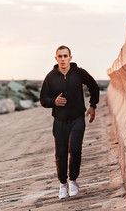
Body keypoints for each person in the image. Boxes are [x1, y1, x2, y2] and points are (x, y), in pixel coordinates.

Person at [40, 45, 100, 199]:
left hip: (77, 118)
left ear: (70, 58)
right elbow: (43, 99)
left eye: (65, 56)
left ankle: (73, 180)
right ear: (56, 59)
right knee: (60, 154)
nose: (63, 59)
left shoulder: (79, 73)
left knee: (74, 148)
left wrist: (93, 105)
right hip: (59, 121)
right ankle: (62, 184)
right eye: (60, 56)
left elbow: (93, 86)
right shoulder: (50, 77)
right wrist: (54, 101)